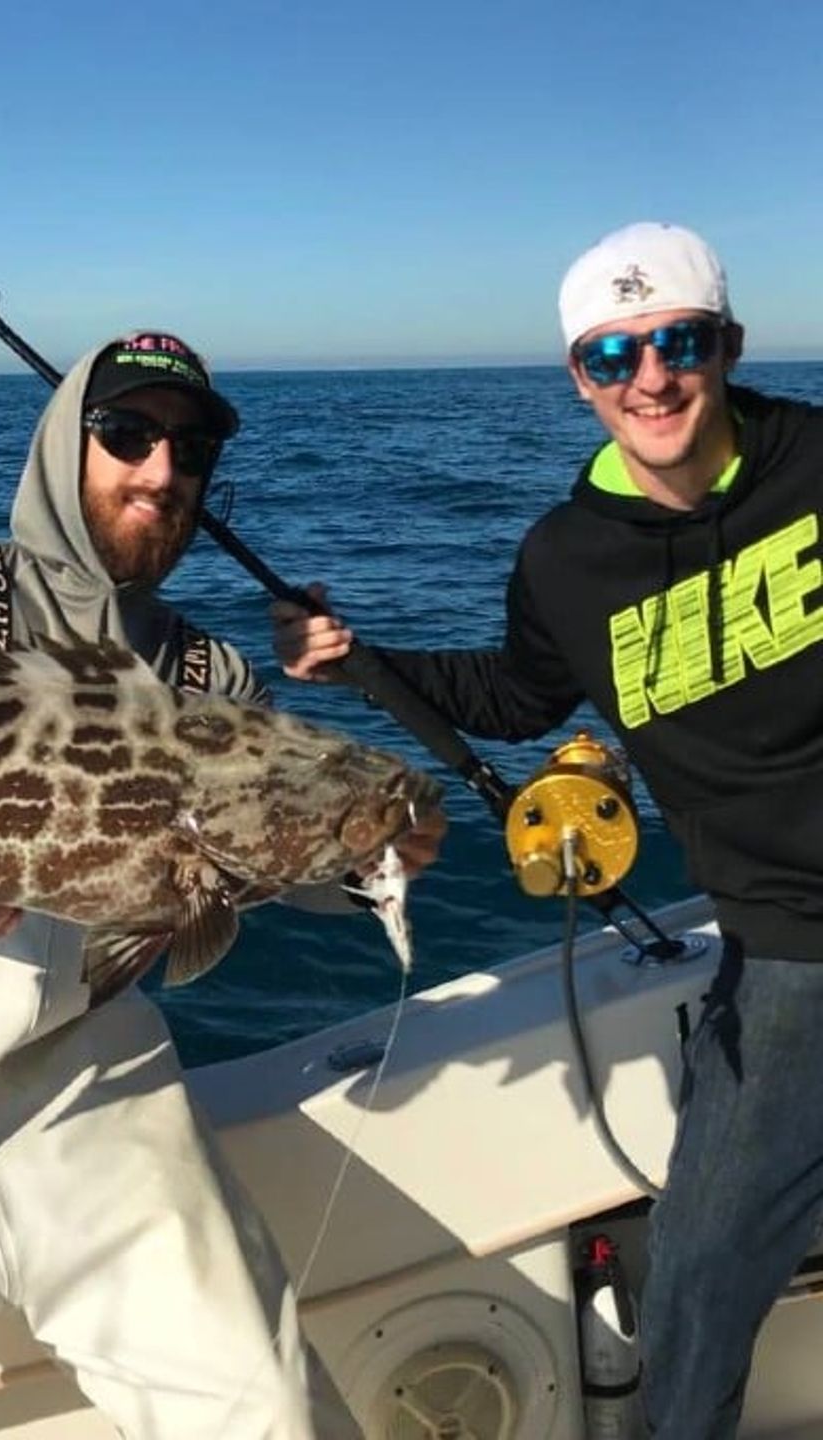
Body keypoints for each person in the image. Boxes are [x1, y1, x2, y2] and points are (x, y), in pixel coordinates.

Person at [0, 331, 443, 1440]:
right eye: (128, 434)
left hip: (89, 1089)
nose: (162, 471)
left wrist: (372, 858)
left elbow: (246, 869)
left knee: (267, 1411)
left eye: (192, 446)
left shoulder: (214, 679)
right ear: (67, 443)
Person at [272, 220, 823, 1439]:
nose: (650, 377)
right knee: (699, 1271)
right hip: (795, 947)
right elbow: (519, 698)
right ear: (579, 379)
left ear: (726, 345)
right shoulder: (567, 558)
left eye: (676, 340)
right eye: (610, 354)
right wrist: (358, 664)